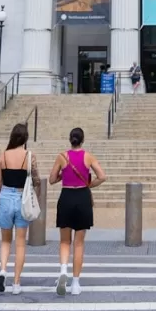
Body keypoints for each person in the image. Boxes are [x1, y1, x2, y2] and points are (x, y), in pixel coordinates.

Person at [49, 127, 106, 296]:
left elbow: (51, 179)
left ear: (70, 139)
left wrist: (63, 175)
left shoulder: (62, 156)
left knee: (64, 241)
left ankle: (63, 271)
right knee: (79, 243)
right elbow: (102, 176)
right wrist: (90, 184)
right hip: (82, 197)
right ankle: (75, 283)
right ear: (82, 140)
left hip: (66, 196)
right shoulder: (88, 156)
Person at [0, 123, 36, 294]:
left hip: (5, 197)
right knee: (20, 244)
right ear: (25, 138)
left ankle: (3, 270)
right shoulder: (29, 156)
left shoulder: (2, 156)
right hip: (21, 198)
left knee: (5, 240)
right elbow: (35, 179)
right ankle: (16, 283)